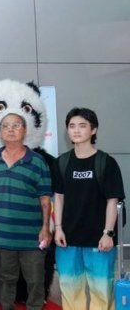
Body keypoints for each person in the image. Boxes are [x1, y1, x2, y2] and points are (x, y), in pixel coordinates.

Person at [53, 108, 124, 310]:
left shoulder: (106, 163)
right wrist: (58, 228)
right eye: (72, 126)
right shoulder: (61, 163)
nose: (76, 130)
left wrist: (108, 233)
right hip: (68, 240)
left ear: (93, 130)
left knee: (101, 292)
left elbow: (113, 200)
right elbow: (58, 197)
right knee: (70, 290)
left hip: (99, 240)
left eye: (82, 126)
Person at [0, 113, 52, 310]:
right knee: (6, 278)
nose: (11, 129)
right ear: (0, 132)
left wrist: (45, 228)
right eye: (6, 126)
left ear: (24, 130)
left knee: (35, 281)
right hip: (3, 234)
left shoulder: (38, 161)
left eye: (16, 125)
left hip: (32, 235)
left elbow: (45, 199)